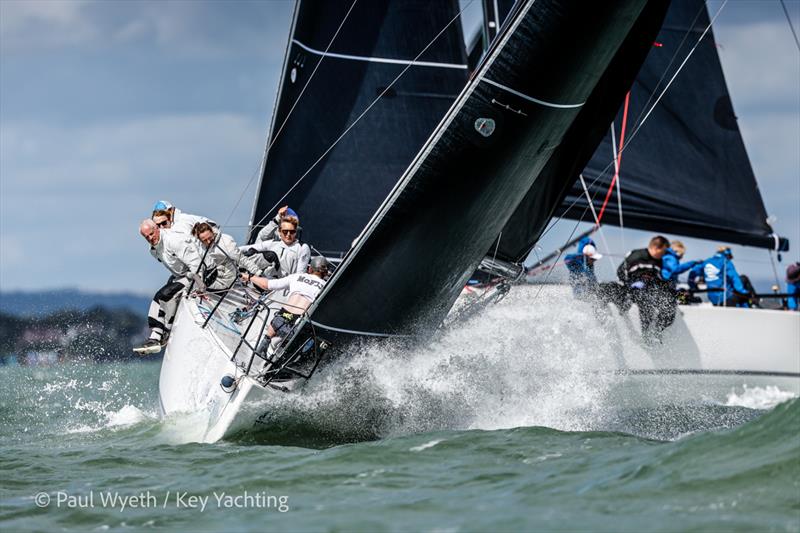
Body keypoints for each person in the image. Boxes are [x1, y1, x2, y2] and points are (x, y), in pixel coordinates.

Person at [135, 219, 204, 354]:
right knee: (157, 298)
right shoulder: (153, 250)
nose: (150, 238)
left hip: (197, 275)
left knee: (164, 295)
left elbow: (197, 263)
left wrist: (199, 286)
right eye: (146, 237)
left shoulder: (173, 241)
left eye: (151, 234)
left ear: (157, 229)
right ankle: (156, 334)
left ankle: (164, 331)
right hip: (181, 275)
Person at [242, 256, 328, 358]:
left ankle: (265, 342)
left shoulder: (297, 277)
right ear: (325, 273)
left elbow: (267, 285)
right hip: (296, 325)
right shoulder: (325, 286)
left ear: (310, 269)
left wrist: (249, 277)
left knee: (278, 320)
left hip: (278, 321)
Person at [615, 235, 675, 342]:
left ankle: (657, 332)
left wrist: (671, 290)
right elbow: (620, 272)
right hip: (634, 288)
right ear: (657, 248)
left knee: (669, 302)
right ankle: (646, 336)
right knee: (646, 300)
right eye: (664, 251)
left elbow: (659, 278)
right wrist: (629, 285)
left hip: (650, 288)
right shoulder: (636, 255)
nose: (664, 254)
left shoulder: (659, 261)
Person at [192, 222, 269, 290]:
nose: (208, 242)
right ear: (199, 240)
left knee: (197, 283)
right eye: (204, 240)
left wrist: (258, 273)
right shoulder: (200, 246)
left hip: (225, 280)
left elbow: (242, 260)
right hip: (210, 275)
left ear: (213, 232)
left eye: (210, 238)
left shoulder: (226, 243)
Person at [240, 216, 310, 279]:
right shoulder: (273, 243)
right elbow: (246, 248)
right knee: (252, 250)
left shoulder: (302, 247)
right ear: (279, 231)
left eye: (292, 232)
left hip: (283, 283)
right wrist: (231, 251)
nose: (288, 235)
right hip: (264, 279)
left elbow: (300, 274)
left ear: (295, 232)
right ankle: (239, 267)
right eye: (285, 231)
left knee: (271, 256)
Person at [151, 200, 215, 235]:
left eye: (164, 223)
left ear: (171, 212)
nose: (161, 227)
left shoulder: (182, 222)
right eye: (158, 225)